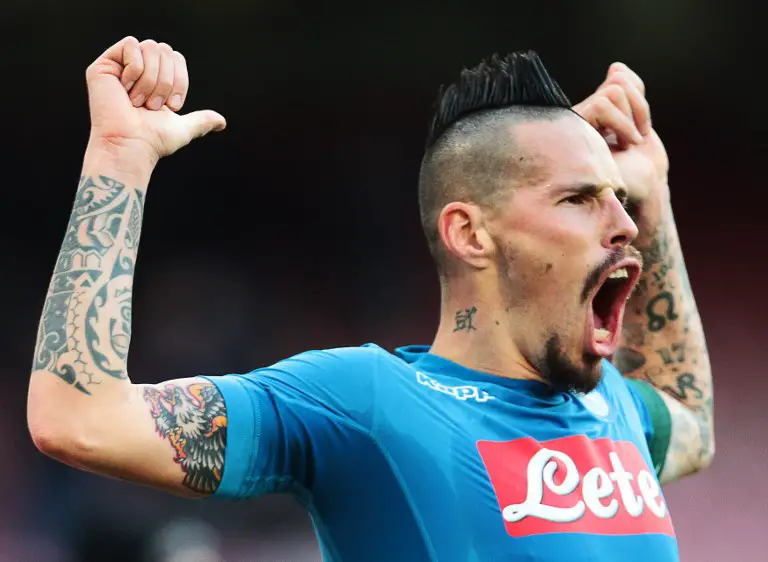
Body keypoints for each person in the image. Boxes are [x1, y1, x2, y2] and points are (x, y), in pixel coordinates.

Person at [27, 36, 714, 561]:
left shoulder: (618, 409)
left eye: (619, 199)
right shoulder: (364, 403)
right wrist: (119, 157)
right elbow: (79, 419)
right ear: (469, 234)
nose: (624, 224)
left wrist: (654, 196)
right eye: (579, 199)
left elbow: (693, 422)